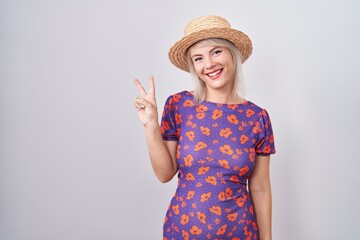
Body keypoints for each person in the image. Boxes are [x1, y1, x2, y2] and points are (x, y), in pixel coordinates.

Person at [134, 15, 276, 240]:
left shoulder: (257, 118)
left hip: (240, 234)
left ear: (233, 53)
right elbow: (164, 174)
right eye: (198, 58)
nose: (209, 64)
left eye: (216, 52)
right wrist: (150, 125)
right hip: (182, 233)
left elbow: (260, 188)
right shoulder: (178, 105)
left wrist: (267, 239)